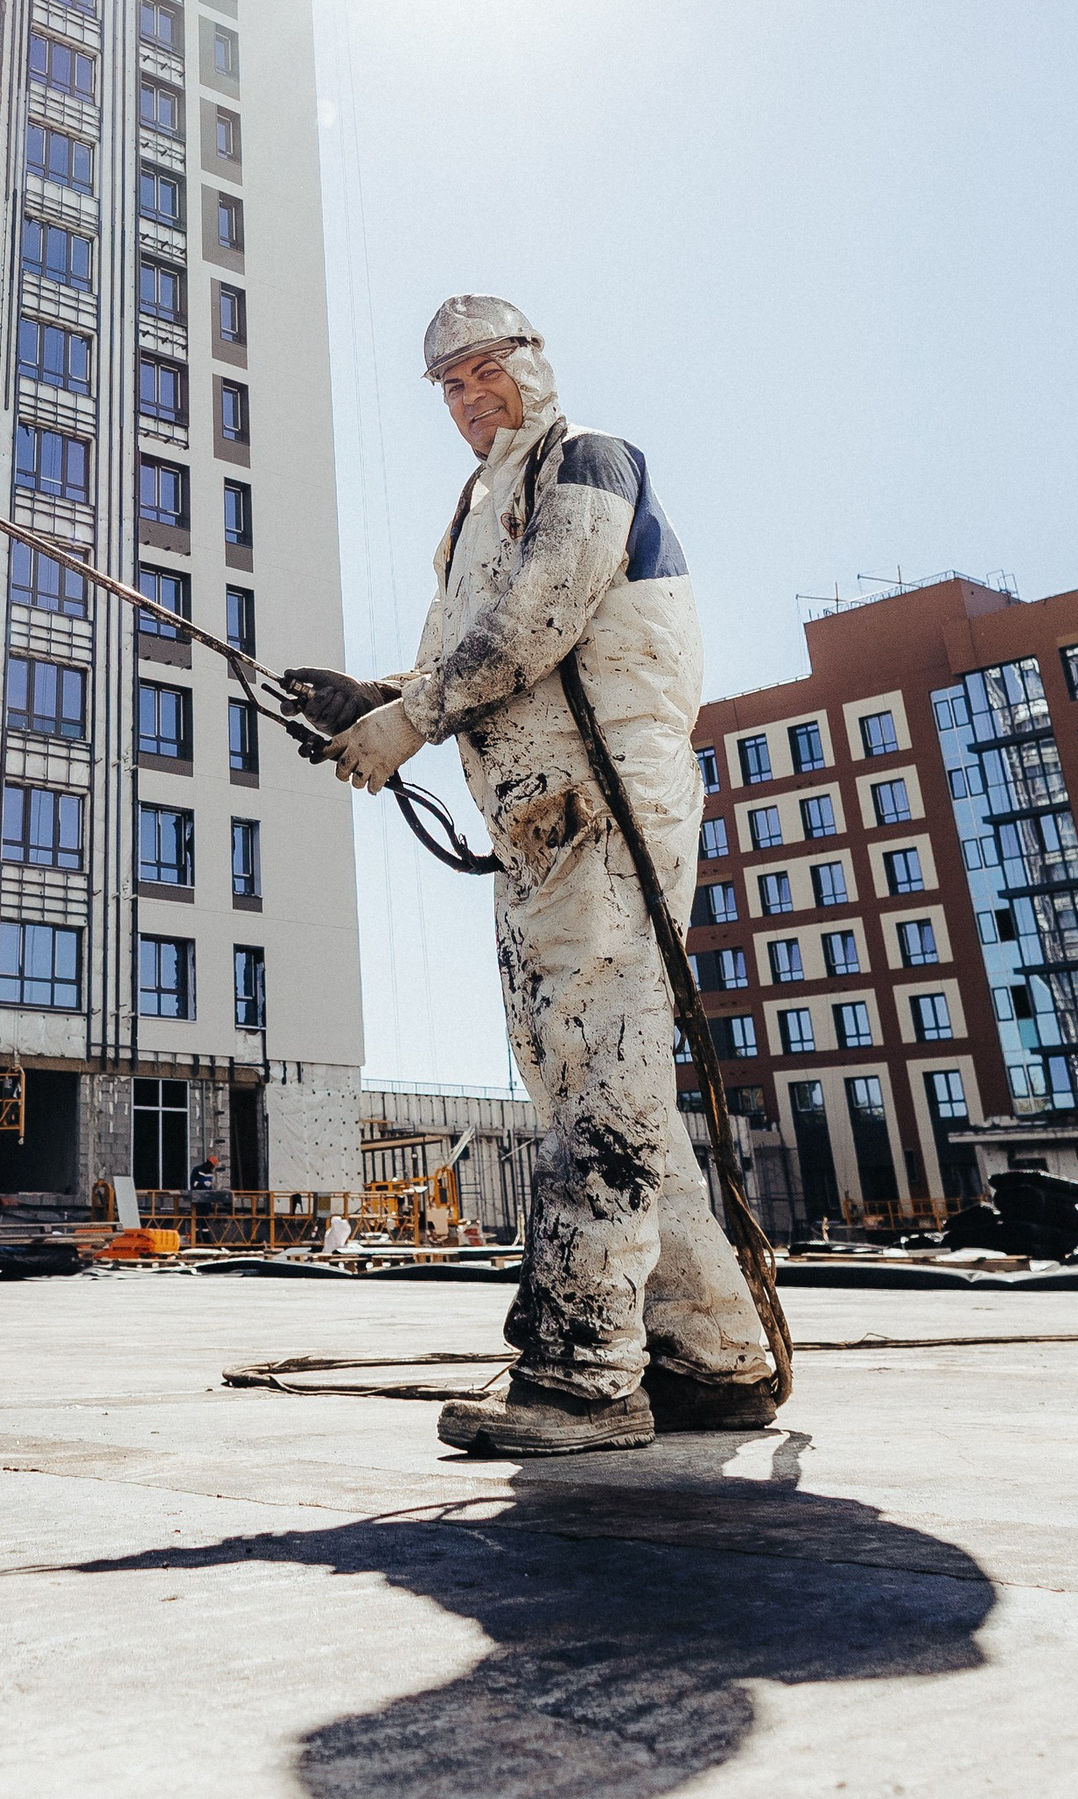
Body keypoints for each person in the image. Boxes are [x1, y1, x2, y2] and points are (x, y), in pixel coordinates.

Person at [286, 295, 780, 1455]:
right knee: (588, 1084)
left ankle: (583, 1377)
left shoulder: (589, 462)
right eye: (450, 384)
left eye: (485, 370)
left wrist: (405, 720)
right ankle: (715, 1355)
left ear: (534, 362)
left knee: (599, 1078)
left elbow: (538, 617)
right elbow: (460, 653)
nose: (470, 397)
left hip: (604, 801)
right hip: (534, 820)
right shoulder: (473, 511)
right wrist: (370, 699)